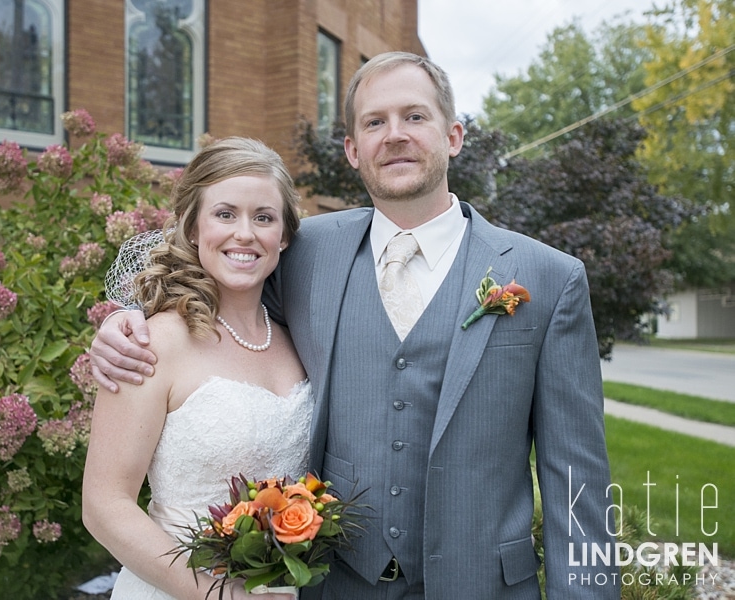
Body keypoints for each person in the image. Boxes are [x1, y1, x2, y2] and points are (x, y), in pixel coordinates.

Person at [90, 52, 619, 599]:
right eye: (374, 122)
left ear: (455, 136)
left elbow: (578, 481)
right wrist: (125, 320)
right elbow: (218, 273)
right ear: (352, 150)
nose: (394, 136)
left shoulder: (549, 278)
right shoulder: (307, 251)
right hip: (333, 585)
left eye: (415, 117)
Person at [82, 137, 310, 600]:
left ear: (283, 235)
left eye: (263, 217)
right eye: (225, 214)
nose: (244, 233)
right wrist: (216, 595)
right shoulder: (150, 343)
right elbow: (104, 506)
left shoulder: (302, 335)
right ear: (193, 227)